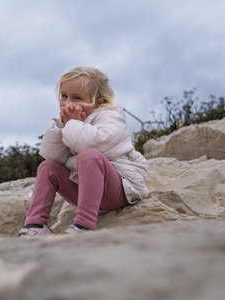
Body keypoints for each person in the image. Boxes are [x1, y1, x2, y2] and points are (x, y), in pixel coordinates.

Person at [18, 66, 148, 238]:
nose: (67, 102)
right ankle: (36, 226)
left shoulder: (111, 116)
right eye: (64, 96)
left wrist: (73, 123)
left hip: (121, 188)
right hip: (87, 190)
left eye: (77, 97)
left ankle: (83, 226)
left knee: (89, 156)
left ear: (99, 102)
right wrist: (61, 126)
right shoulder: (70, 122)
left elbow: (95, 145)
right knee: (47, 166)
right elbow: (54, 156)